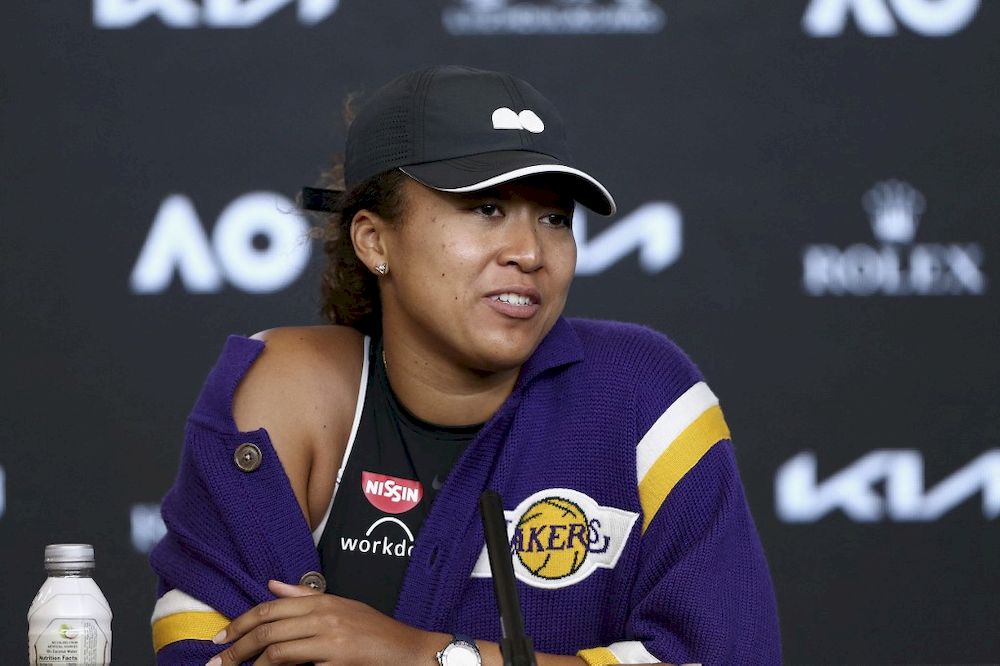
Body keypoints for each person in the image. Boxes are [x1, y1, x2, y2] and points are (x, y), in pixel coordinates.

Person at [149, 65, 781, 666]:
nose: (531, 252)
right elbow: (208, 650)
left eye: (555, 218)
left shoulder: (645, 394)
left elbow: (727, 654)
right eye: (486, 209)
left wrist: (426, 655)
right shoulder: (285, 392)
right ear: (375, 240)